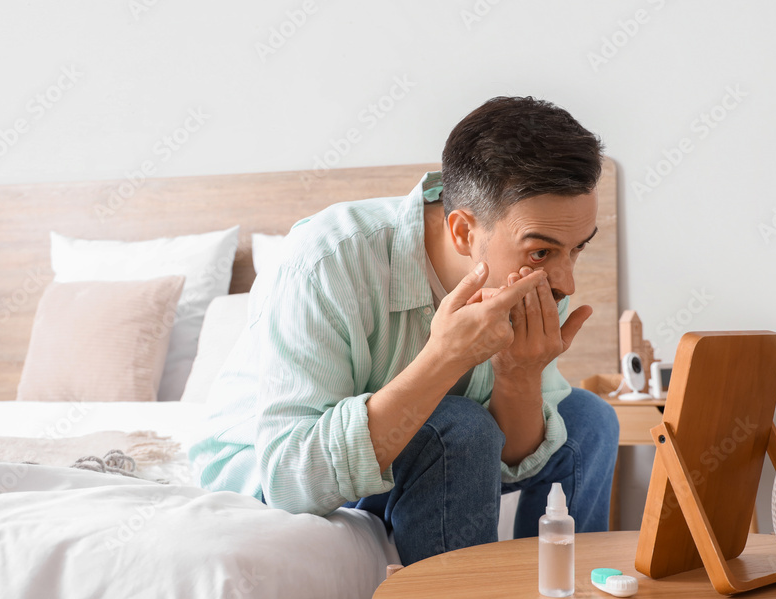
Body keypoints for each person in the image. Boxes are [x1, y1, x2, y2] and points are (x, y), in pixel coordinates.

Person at [189, 96, 620, 565]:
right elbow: (294, 474)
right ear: (462, 232)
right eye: (542, 253)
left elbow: (511, 458)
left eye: (577, 249)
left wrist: (519, 374)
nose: (565, 282)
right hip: (279, 462)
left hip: (442, 455)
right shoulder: (329, 260)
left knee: (589, 421)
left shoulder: (537, 272)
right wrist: (445, 358)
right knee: (460, 427)